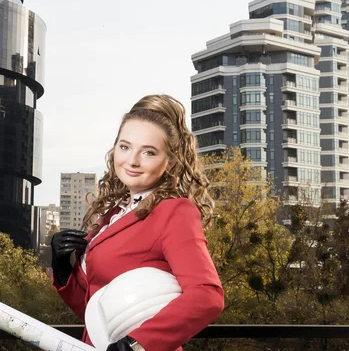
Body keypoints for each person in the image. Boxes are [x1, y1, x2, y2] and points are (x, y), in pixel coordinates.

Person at [51, 94, 224, 351]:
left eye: (149, 152)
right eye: (125, 147)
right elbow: (96, 311)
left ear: (171, 160)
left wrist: (138, 345)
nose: (132, 161)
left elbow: (207, 296)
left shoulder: (175, 211)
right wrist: (63, 269)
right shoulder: (113, 215)